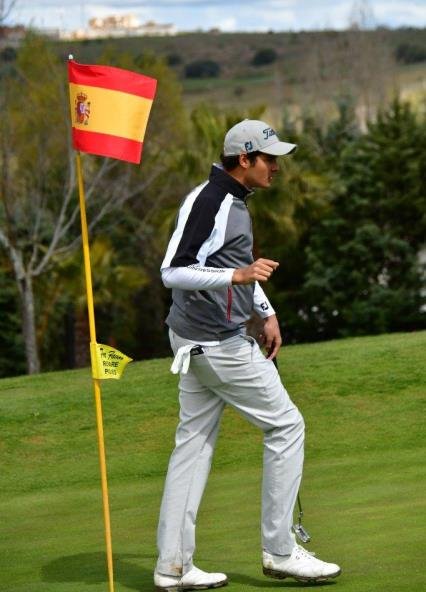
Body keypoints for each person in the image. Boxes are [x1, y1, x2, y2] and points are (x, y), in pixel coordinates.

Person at [154, 120, 341, 591]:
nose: (276, 167)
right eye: (269, 158)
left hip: (198, 339)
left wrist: (265, 309)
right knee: (286, 425)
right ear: (245, 159)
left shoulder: (232, 200)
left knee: (192, 446)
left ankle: (171, 566)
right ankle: (280, 551)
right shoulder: (212, 201)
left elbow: (233, 264)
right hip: (216, 342)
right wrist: (237, 279)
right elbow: (173, 271)